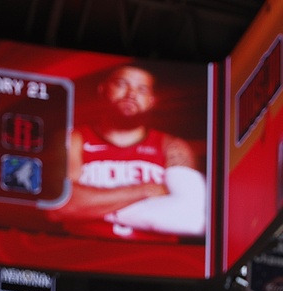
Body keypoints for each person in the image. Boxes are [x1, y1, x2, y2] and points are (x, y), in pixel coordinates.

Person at [60, 65, 206, 239]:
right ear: (103, 90)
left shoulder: (172, 147)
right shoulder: (75, 139)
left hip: (155, 254)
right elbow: (61, 206)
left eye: (142, 89)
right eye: (122, 84)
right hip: (83, 248)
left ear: (152, 100)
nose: (131, 94)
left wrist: (88, 206)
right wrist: (145, 191)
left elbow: (191, 219)